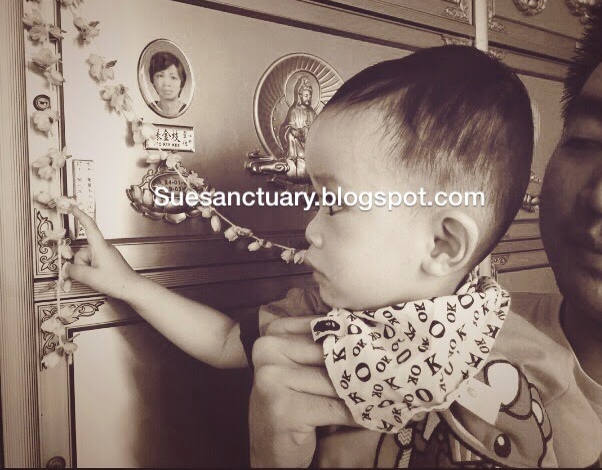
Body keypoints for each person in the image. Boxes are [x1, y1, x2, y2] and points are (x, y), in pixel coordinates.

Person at [67, 45, 538, 467]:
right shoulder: (315, 314)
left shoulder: (523, 363)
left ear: (441, 245)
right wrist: (129, 285)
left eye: (335, 203)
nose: (311, 228)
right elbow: (225, 340)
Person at [249, 0, 602, 467]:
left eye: (336, 202)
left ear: (445, 242)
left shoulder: (515, 357)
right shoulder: (331, 329)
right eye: (586, 140)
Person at [278, 75, 316, 160]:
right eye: (306, 96)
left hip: (310, 143)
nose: (308, 98)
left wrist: (309, 131)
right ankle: (293, 156)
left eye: (310, 96)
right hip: (298, 143)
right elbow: (289, 127)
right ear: (300, 96)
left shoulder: (312, 112)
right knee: (290, 134)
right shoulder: (294, 111)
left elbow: (317, 128)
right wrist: (297, 132)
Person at [148, 51, 187, 117]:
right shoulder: (147, 110)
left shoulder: (188, 111)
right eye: (160, 76)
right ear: (153, 80)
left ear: (181, 83)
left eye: (173, 77)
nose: (166, 83)